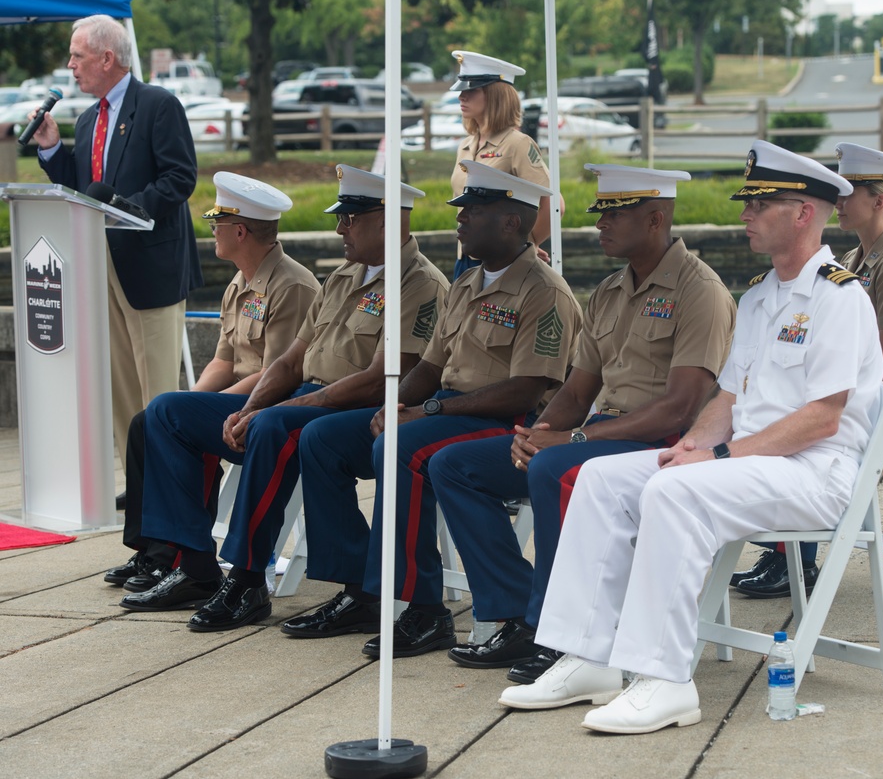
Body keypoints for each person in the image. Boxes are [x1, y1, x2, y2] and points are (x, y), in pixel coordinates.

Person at [498, 140, 881, 735]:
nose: (744, 215)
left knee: (674, 492)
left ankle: (664, 680)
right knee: (601, 477)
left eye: (760, 205)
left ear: (803, 213)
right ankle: (587, 656)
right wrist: (693, 445)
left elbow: (822, 418)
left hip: (814, 470)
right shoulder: (758, 297)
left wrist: (715, 457)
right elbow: (728, 399)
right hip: (751, 463)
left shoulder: (840, 298)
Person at [428, 164, 736, 680]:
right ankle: (514, 612)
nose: (601, 223)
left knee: (558, 470)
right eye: (601, 212)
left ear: (656, 218)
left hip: (664, 444)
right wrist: (533, 435)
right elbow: (575, 390)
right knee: (454, 465)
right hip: (603, 435)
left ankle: (559, 632)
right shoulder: (610, 290)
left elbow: (680, 408)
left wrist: (569, 439)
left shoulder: (698, 289)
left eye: (615, 213)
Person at [118, 166, 449, 632]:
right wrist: (249, 407)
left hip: (355, 408)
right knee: (168, 412)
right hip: (305, 398)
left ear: (386, 220)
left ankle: (248, 580)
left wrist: (277, 410)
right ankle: (191, 566)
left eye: (349, 219)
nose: (339, 228)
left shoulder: (419, 284)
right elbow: (291, 361)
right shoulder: (342, 278)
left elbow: (380, 380)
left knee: (278, 428)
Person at [279, 161, 583, 658]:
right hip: (451, 413)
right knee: (324, 437)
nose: (459, 219)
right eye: (462, 209)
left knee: (407, 447)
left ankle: (422, 608)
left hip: (508, 424)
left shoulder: (543, 290)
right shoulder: (467, 284)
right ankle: (359, 587)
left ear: (513, 221)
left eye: (474, 210)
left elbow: (526, 390)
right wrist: (399, 403)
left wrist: (430, 410)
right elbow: (430, 364)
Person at [102, 173, 321, 593]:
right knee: (148, 420)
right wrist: (192, 401)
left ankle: (187, 561)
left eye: (216, 224)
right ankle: (154, 550)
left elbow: (280, 373)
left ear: (239, 231)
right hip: (240, 399)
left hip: (270, 406)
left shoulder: (291, 285)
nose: (212, 231)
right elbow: (224, 360)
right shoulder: (240, 280)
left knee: (169, 414)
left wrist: (197, 409)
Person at [732, 142, 883, 599]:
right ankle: (784, 553)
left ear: (878, 201)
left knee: (806, 431)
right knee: (791, 423)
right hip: (875, 395)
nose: (838, 200)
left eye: (851, 192)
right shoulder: (854, 259)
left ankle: (792, 559)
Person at [30, 14, 201, 481]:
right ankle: (141, 481)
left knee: (156, 386)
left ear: (107, 58)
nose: (70, 66)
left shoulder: (158, 105)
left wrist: (127, 208)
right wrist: (51, 151)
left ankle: (171, 485)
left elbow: (180, 178)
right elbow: (82, 190)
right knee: (121, 384)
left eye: (77, 56)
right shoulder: (89, 119)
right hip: (101, 263)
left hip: (150, 268)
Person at [449, 50, 551, 278]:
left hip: (501, 262)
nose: (461, 97)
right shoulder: (466, 145)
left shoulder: (517, 144)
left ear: (496, 95)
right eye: (461, 91)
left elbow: (552, 204)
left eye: (471, 90)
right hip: (466, 258)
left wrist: (529, 244)